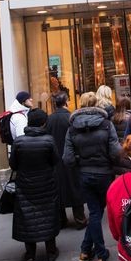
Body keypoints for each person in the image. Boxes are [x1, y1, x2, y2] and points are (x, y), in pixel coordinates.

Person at [63, 95, 125, 261]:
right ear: (97, 104)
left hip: (84, 174)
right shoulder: (106, 124)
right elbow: (115, 151)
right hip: (104, 173)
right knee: (97, 212)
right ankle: (100, 253)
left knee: (94, 212)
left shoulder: (72, 128)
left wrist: (80, 160)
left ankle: (85, 250)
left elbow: (67, 159)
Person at [10, 108, 61, 261]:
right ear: (43, 123)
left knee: (27, 217)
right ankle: (51, 251)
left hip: (25, 185)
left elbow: (13, 164)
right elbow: (55, 160)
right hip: (46, 183)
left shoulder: (19, 142)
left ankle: (30, 255)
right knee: (48, 215)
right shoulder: (48, 140)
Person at [46, 91, 87, 229]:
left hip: (55, 160)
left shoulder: (49, 119)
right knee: (75, 188)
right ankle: (80, 219)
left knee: (59, 190)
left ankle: (61, 220)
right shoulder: (71, 118)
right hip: (72, 158)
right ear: (66, 102)